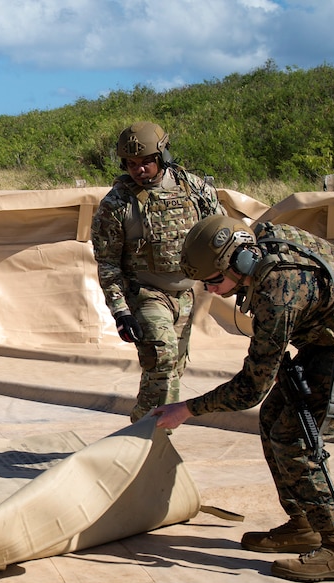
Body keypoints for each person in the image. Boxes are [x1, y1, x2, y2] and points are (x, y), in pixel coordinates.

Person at [153, 215, 334, 582]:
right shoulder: (260, 249)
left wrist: (187, 409)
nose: (210, 290)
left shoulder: (278, 292)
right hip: (332, 336)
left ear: (239, 263)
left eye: (214, 280)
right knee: (274, 417)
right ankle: (304, 524)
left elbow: (251, 388)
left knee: (295, 438)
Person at [90, 122, 224, 421]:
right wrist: (121, 312)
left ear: (163, 155)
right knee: (162, 360)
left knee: (172, 370)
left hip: (187, 295)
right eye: (131, 164)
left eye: (146, 161)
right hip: (147, 294)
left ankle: (150, 435)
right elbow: (108, 262)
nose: (138, 170)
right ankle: (147, 436)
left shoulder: (195, 189)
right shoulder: (117, 203)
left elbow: (221, 234)